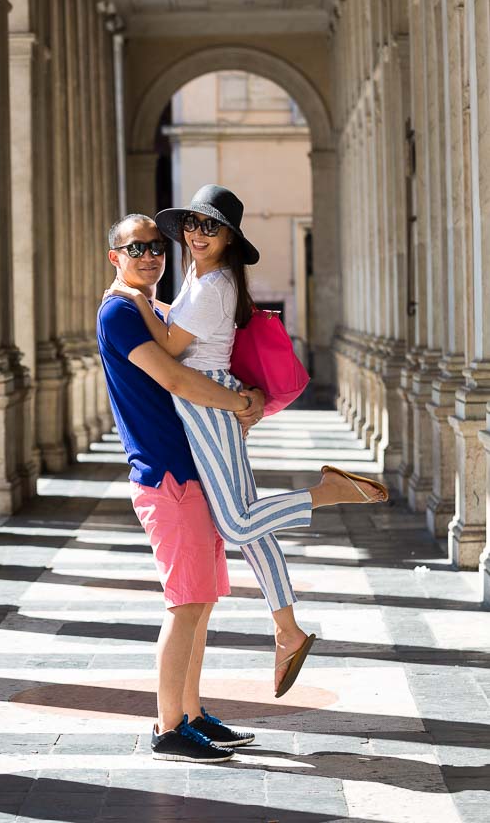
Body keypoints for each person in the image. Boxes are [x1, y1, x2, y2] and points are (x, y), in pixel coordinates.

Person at [107, 185, 389, 700]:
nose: (196, 233)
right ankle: (288, 629)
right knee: (253, 525)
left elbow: (171, 347)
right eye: (192, 223)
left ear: (229, 237)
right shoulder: (206, 278)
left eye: (209, 226)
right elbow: (180, 323)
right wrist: (147, 301)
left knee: (237, 520)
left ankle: (326, 492)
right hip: (216, 396)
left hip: (205, 401)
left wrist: (131, 296)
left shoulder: (211, 283)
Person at [97, 212, 265, 763]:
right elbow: (174, 376)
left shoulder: (149, 308)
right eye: (136, 248)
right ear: (115, 257)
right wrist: (241, 403)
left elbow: (196, 339)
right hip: (167, 475)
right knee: (185, 603)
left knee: (203, 601)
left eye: (156, 248)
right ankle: (169, 728)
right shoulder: (121, 312)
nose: (150, 256)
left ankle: (191, 714)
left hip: (193, 471)